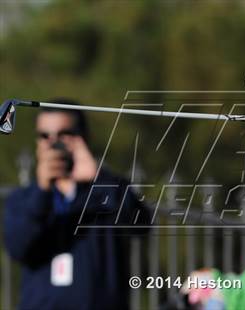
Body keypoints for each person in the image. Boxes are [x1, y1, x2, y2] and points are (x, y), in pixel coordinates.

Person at [3, 100, 150, 310]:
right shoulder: (24, 198)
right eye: (44, 136)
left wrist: (99, 178)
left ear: (82, 138)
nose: (53, 144)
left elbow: (142, 224)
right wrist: (41, 191)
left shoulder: (107, 190)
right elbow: (17, 247)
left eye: (63, 135)